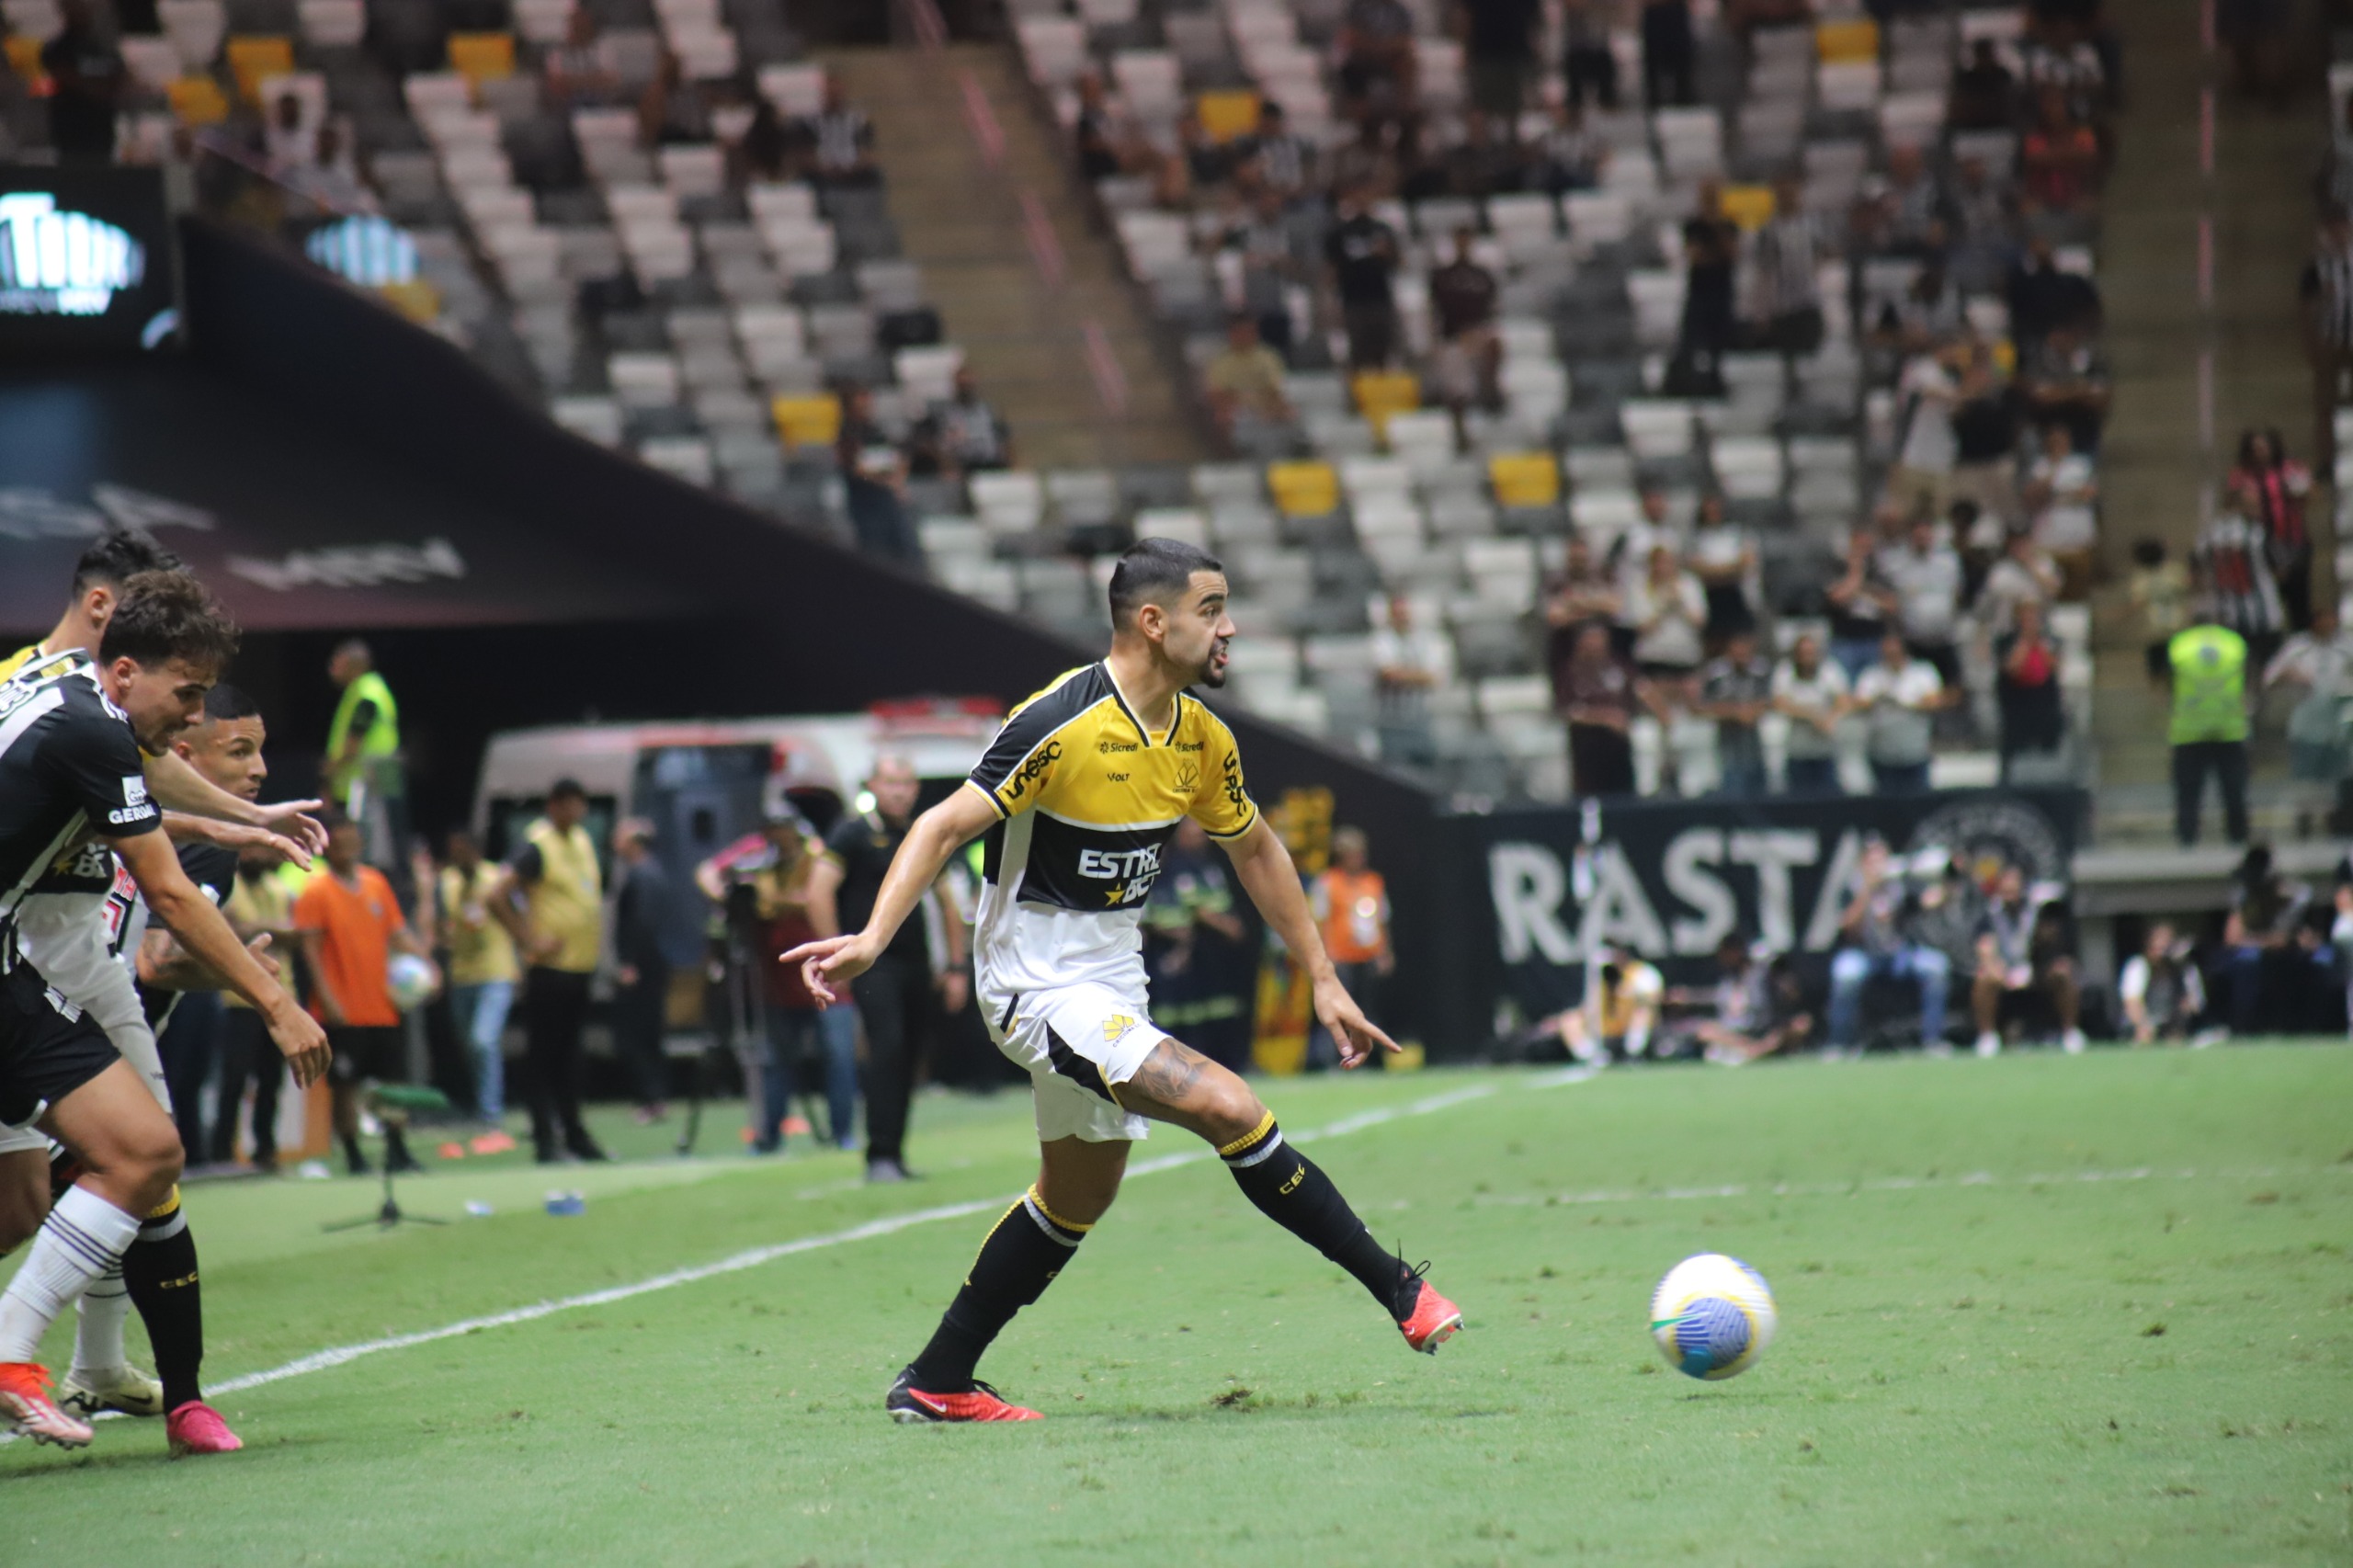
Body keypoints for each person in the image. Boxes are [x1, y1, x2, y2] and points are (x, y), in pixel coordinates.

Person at [784, 537, 1459, 1424]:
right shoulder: (1059, 723)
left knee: (1077, 1195)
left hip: (1110, 980)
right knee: (1228, 1105)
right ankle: (1399, 1290)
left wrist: (1324, 979)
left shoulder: (1200, 738)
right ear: (1154, 621)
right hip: (1032, 982)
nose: (1229, 628)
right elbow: (946, 825)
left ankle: (937, 1379)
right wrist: (874, 936)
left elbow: (1254, 848)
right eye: (1212, 609)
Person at [0, 573, 329, 1450]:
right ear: (126, 668)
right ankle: (13, 1353)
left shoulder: (52, 688)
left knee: (25, 1197)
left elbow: (145, 783)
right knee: (142, 1151)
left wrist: (237, 822)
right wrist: (277, 1004)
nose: (193, 719)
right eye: (186, 695)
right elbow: (172, 901)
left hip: (20, 967)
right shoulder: (90, 729)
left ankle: (78, 1362)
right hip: (32, 964)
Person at [1, 533, 325, 856]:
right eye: (142, 607)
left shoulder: (111, 709)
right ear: (99, 604)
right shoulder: (13, 687)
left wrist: (254, 817)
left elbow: (150, 769)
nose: (157, 626)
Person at [806, 756, 967, 1183]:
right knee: (888, 1048)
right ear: (872, 785)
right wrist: (837, 958)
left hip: (917, 963)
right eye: (890, 782)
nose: (899, 791)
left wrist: (956, 967)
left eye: (906, 783)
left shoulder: (919, 834)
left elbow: (950, 904)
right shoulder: (852, 833)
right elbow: (817, 893)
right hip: (875, 966)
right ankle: (878, 1154)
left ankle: (894, 1153)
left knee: (911, 1054)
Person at [296, 812, 437, 1176]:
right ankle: (354, 1154)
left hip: (383, 1004)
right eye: (339, 842)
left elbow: (397, 932)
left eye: (351, 841)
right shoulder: (316, 892)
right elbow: (310, 950)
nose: (347, 848)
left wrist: (426, 963)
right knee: (345, 1085)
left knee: (392, 1083)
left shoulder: (376, 884)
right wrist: (326, 998)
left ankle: (397, 1149)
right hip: (342, 1008)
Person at [510, 778, 609, 1164]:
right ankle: (545, 1139)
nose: (576, 813)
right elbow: (498, 893)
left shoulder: (581, 840)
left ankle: (574, 1134)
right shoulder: (538, 845)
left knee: (570, 1057)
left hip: (579, 967)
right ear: (553, 806)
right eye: (568, 805)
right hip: (550, 970)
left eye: (579, 805)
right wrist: (527, 940)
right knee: (544, 1057)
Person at [1139, 820, 1252, 1072]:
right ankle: (1174, 1069)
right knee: (1178, 1013)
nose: (1200, 839)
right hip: (1182, 948)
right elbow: (1194, 909)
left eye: (1203, 835)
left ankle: (1226, 1064)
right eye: (1194, 835)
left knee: (1219, 1009)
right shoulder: (1177, 867)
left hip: (1216, 950)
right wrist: (1227, 925)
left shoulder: (1210, 864)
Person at [212, 838, 297, 1169]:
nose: (258, 857)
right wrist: (268, 929)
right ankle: (221, 1151)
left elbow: (294, 934)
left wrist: (258, 929)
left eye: (262, 851)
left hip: (278, 997)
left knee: (271, 1080)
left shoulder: (279, 888)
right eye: (251, 850)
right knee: (234, 1078)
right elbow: (228, 930)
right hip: (238, 998)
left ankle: (266, 1150)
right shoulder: (228, 886)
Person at [1826, 837, 1950, 1055]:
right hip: (1864, 954)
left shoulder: (1900, 886)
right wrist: (1868, 890)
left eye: (1882, 860)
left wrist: (1947, 877)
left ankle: (1933, 1040)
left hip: (1900, 955)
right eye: (1873, 861)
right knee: (1845, 974)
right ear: (1863, 864)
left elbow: (1932, 901)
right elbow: (1847, 926)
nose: (1879, 866)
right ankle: (1840, 1043)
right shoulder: (1852, 888)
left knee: (1937, 967)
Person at [438, 827, 520, 1129]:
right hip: (462, 975)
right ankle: (480, 1103)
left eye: (462, 851)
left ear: (475, 851)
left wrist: (525, 955)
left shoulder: (497, 879)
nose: (456, 858)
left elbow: (517, 917)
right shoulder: (447, 883)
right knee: (470, 1045)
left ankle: (490, 1113)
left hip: (496, 972)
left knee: (483, 1040)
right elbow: (438, 920)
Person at [1971, 864, 2084, 1056]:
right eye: (2005, 889)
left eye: (2014, 887)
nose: (2010, 893)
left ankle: (2070, 1032)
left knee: (2063, 971)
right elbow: (1985, 948)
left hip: (2036, 969)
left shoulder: (2039, 911)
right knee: (1984, 978)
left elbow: (2053, 945)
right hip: (2004, 972)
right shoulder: (1989, 914)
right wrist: (2000, 970)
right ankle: (1987, 1036)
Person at [1307, 827, 1392, 1069]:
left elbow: (1383, 919)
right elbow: (1320, 921)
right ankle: (1335, 1059)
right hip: (1340, 957)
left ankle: (1373, 1059)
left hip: (1368, 955)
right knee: (1340, 1011)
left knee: (1369, 1009)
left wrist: (1385, 952)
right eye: (1354, 854)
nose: (1359, 859)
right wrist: (1323, 956)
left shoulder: (1373, 881)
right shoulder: (1328, 882)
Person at [2166, 619, 2251, 846]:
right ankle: (2238, 837)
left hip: (2188, 731)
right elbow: (2246, 676)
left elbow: (2166, 678)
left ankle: (2187, 839)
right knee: (2234, 790)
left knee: (2188, 792)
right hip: (2229, 729)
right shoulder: (2234, 642)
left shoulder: (2180, 643)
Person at [324, 639, 404, 876]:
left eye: (336, 663)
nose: (332, 669)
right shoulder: (369, 689)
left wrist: (329, 770)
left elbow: (354, 741)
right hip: (378, 776)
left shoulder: (366, 692)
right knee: (383, 838)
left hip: (370, 780)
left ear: (352, 665)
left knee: (371, 842)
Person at [610, 818, 674, 1123]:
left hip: (644, 968)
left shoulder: (643, 876)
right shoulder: (650, 872)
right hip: (653, 965)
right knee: (648, 1033)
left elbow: (642, 923)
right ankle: (654, 1097)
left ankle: (651, 1098)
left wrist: (630, 964)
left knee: (637, 1034)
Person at [2264, 606, 2353, 807]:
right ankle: (2305, 819)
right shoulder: (2297, 647)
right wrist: (2289, 675)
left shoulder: (2347, 647)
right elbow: (2270, 678)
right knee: (2305, 782)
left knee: (2338, 780)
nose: (2330, 624)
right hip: (2305, 726)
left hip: (2338, 728)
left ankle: (2338, 821)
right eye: (2325, 619)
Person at [2191, 484, 2284, 672]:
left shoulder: (2208, 535)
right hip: (2263, 612)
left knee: (2235, 666)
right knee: (2267, 665)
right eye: (2253, 504)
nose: (2258, 509)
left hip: (2225, 611)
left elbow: (2196, 570)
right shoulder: (2257, 532)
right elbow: (2279, 567)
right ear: (2238, 506)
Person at [2231, 429, 2313, 632]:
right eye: (2256, 448)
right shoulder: (2241, 475)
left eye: (2264, 447)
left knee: (2298, 595)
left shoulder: (2290, 468)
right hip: (2259, 542)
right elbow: (2232, 502)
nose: (2260, 452)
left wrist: (2300, 489)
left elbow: (2311, 494)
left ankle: (2299, 633)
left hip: (2292, 539)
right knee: (2267, 594)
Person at [2221, 845, 2307, 1037]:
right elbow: (2232, 937)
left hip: (2287, 957)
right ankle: (2242, 1027)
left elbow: (2287, 939)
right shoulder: (2243, 896)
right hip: (2255, 955)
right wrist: (2264, 941)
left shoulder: (2293, 896)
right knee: (2246, 962)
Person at [1688, 937, 1812, 1065]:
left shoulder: (1764, 975)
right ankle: (1752, 1051)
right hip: (1738, 1034)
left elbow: (1791, 995)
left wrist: (1777, 974)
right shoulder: (1728, 979)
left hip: (1765, 1032)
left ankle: (1753, 1052)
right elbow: (1718, 1001)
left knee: (1801, 1024)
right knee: (1705, 1030)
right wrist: (1689, 997)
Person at [1552, 620, 1640, 798]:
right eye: (1591, 639)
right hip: (1587, 749)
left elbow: (1638, 694)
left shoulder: (1619, 667)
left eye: (1600, 639)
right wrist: (1605, 718)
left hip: (1620, 748)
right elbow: (1567, 711)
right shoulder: (1570, 672)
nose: (1596, 644)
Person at [1854, 633, 1945, 793]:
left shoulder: (1922, 672)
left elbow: (1935, 702)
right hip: (1882, 755)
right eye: (1888, 654)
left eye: (1895, 653)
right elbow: (1859, 703)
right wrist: (1879, 698)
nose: (1892, 657)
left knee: (1918, 801)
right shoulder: (1872, 675)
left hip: (1915, 753)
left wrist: (1905, 703)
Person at [1325, 186, 1402, 371]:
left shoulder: (1383, 230)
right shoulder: (1340, 233)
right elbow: (1331, 269)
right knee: (1358, 352)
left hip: (1380, 298)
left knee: (1382, 350)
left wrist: (1386, 254)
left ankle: (1382, 391)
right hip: (1353, 300)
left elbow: (1398, 261)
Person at [2300, 209, 2353, 474]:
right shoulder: (2317, 267)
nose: (2339, 235)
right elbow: (2305, 309)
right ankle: (2326, 460)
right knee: (2325, 405)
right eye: (2333, 229)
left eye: (2343, 228)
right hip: (2330, 342)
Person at [1428, 226, 1501, 422]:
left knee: (1493, 346)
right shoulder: (1442, 276)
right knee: (1457, 388)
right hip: (1452, 337)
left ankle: (1492, 401)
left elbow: (1490, 308)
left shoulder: (1482, 275)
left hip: (1478, 335)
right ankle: (1459, 422)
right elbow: (1434, 309)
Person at [1370, 593, 1450, 767]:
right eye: (1397, 614)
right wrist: (1418, 675)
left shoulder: (1428, 640)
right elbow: (1389, 674)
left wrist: (1404, 674)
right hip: (1391, 721)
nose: (1402, 618)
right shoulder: (1382, 640)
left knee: (1427, 772)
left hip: (1421, 719)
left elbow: (1434, 677)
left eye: (1404, 613)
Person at [40, 0, 125, 163]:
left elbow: (118, 75)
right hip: (70, 126)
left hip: (101, 128)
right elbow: (62, 74)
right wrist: (93, 88)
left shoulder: (103, 48)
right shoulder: (57, 47)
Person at [1548, 949, 1665, 1063]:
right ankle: (1590, 1058)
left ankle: (1633, 1054)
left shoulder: (1640, 973)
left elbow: (1654, 1000)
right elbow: (1588, 1009)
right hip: (1604, 1030)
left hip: (1628, 1028)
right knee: (1570, 1019)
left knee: (1642, 1012)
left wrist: (1630, 994)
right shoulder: (1598, 980)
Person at [1996, 597, 2067, 780]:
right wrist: (2025, 643)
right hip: (2017, 704)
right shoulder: (2006, 641)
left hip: (2044, 702)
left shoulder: (2050, 640)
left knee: (2048, 749)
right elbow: (2011, 668)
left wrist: (2039, 643)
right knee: (2014, 749)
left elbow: (2054, 667)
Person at [1697, 629, 1772, 797]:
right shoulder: (1716, 672)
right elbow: (1704, 705)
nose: (1741, 652)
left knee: (1758, 784)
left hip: (1755, 735)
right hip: (1726, 736)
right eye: (1737, 647)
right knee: (1732, 782)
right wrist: (1736, 713)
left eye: (1745, 646)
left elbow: (1770, 699)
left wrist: (1751, 712)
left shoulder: (1761, 669)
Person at [1772, 632, 1849, 795]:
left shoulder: (1830, 669)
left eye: (1810, 653)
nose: (1807, 657)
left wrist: (1830, 718)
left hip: (1825, 748)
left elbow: (1843, 700)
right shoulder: (1785, 671)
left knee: (1829, 797)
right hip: (1798, 750)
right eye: (1803, 653)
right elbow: (1780, 703)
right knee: (1799, 799)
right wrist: (1812, 715)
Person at [1203, 316, 1295, 451]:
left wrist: (1267, 407)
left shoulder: (1267, 357)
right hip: (1235, 412)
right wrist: (1240, 405)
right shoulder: (1221, 361)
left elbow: (1275, 388)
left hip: (1266, 409)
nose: (1244, 336)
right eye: (1239, 332)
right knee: (1223, 417)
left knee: (1289, 414)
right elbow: (1217, 394)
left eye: (1248, 332)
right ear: (1232, 334)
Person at [2118, 922, 2203, 1046]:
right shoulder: (2138, 966)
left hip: (2173, 1029)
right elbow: (2132, 1004)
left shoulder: (2185, 970)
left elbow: (2195, 1005)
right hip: (2141, 1028)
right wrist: (2145, 1026)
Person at [2129, 538, 2192, 685]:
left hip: (2155, 630)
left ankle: (2159, 694)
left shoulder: (2141, 578)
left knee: (2158, 670)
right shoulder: (2173, 571)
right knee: (2175, 668)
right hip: (2176, 626)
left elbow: (2138, 601)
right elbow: (2188, 585)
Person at [1640, 0, 1695, 108]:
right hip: (1655, 12)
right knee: (1654, 77)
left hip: (1674, 11)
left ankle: (1682, 107)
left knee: (1682, 74)